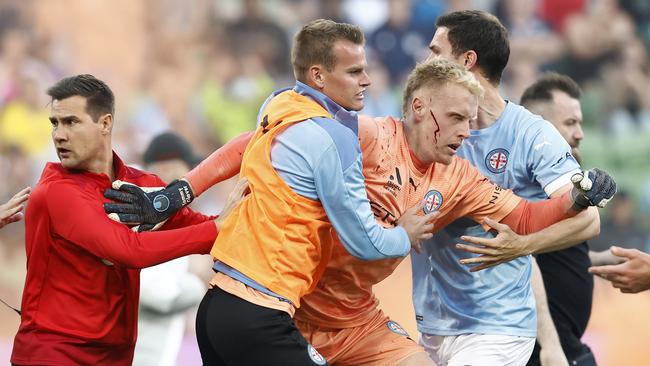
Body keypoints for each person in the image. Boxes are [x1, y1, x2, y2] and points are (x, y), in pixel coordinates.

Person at [108, 57, 615, 366]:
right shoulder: (366, 136)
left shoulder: (460, 178)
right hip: (291, 309)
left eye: (472, 119)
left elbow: (526, 218)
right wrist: (178, 193)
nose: (467, 131)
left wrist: (579, 195)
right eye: (457, 117)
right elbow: (258, 139)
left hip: (357, 319)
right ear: (419, 108)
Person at [411, 10, 609, 366]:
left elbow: (588, 221)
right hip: (433, 323)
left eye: (436, 51)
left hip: (498, 327)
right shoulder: (428, 127)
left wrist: (523, 246)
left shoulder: (531, 134)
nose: (427, 61)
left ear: (466, 60)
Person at [10, 74, 245, 366]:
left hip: (116, 357)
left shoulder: (140, 183)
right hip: (54, 355)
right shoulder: (56, 192)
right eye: (55, 123)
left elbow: (200, 226)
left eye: (71, 122)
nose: (59, 134)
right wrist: (216, 229)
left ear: (105, 124)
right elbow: (130, 250)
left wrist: (236, 218)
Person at [519, 72, 598, 366]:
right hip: (545, 352)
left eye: (579, 122)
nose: (580, 133)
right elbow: (522, 258)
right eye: (569, 123)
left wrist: (600, 261)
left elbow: (556, 252)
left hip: (569, 348)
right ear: (538, 127)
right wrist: (550, 346)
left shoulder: (559, 182)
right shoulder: (523, 184)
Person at [132, 132, 207, 366]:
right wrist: (197, 282)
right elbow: (159, 294)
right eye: (188, 173)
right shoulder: (143, 215)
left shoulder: (168, 217)